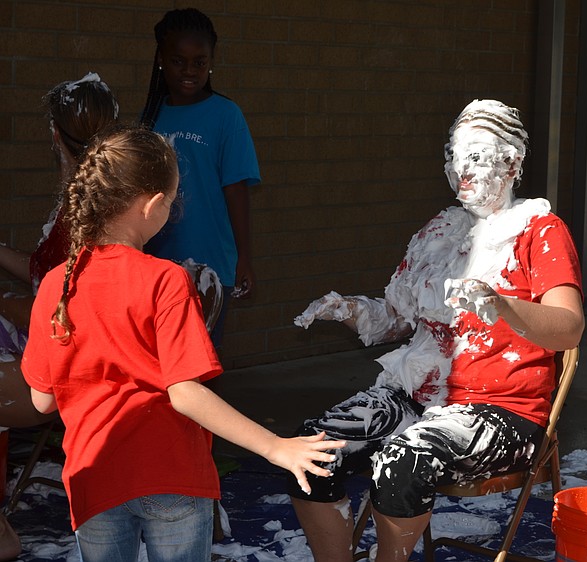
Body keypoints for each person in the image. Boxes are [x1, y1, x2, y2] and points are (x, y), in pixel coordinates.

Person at [20, 125, 344, 562]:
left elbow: (42, 401)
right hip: (170, 475)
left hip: (93, 479)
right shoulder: (165, 279)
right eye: (171, 201)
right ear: (152, 205)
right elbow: (185, 392)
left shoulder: (57, 285)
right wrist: (276, 446)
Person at [290, 99, 585, 561]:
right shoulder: (439, 231)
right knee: (309, 449)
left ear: (512, 162)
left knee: (401, 461)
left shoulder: (539, 231)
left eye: (477, 155)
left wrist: (501, 303)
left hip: (503, 409)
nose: (461, 169)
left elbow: (568, 329)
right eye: (454, 156)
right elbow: (399, 319)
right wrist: (348, 309)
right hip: (419, 394)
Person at [0, 73, 119, 562]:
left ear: (54, 134)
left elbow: (55, 314)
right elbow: (46, 277)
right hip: (83, 360)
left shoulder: (83, 213)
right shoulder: (105, 200)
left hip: (68, 375)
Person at [139, 7, 260, 347]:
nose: (189, 71)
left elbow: (236, 191)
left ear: (211, 62)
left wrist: (244, 259)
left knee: (202, 361)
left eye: (199, 62)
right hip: (156, 260)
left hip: (209, 261)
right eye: (179, 61)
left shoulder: (225, 115)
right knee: (157, 360)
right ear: (161, 59)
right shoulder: (151, 115)